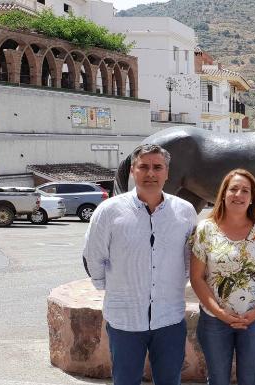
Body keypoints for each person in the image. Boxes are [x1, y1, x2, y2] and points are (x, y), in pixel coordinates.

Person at [83, 144, 197, 385]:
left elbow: (189, 259)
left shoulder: (185, 212)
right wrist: (113, 289)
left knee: (169, 380)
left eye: (158, 167)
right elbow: (94, 256)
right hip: (125, 318)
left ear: (167, 172)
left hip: (169, 318)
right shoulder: (109, 211)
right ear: (133, 171)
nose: (150, 173)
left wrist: (175, 284)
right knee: (125, 380)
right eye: (143, 167)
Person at [190, 168, 255, 385]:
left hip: (254, 322)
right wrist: (220, 312)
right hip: (214, 321)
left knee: (250, 380)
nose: (238, 194)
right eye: (233, 189)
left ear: (252, 198)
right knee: (218, 380)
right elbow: (197, 277)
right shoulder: (205, 229)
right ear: (223, 194)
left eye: (245, 190)